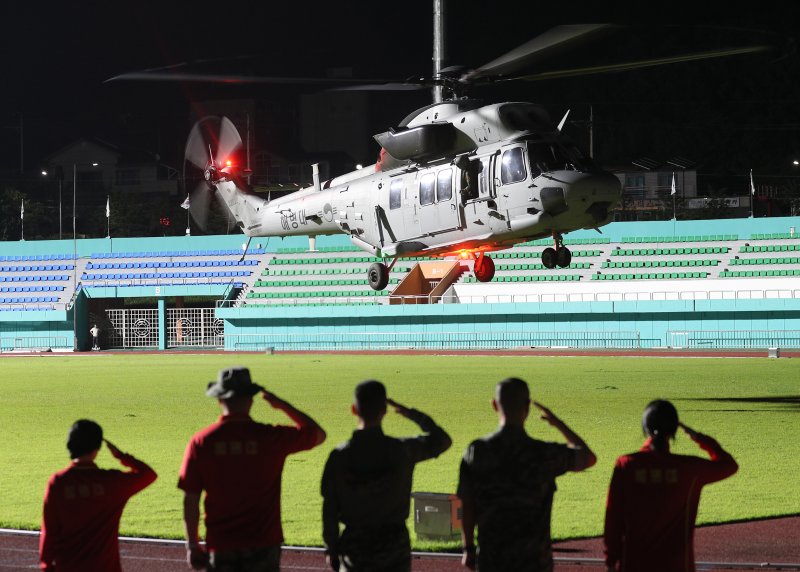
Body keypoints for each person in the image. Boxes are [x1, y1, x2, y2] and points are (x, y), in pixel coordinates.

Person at [178, 366, 326, 572]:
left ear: (220, 400)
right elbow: (318, 434)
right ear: (251, 400)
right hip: (264, 544)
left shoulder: (202, 442)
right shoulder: (271, 438)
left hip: (221, 544)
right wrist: (282, 405)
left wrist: (192, 545)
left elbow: (190, 499)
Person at [457, 377, 596, 572]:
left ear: (495, 405)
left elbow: (467, 504)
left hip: (493, 558)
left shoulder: (477, 451)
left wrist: (468, 548)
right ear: (527, 407)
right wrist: (558, 423)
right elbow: (588, 457)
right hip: (535, 560)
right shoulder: (543, 454)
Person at [321, 380, 452, 572]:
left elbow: (329, 508)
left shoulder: (339, 457)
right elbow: (442, 440)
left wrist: (331, 549)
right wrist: (410, 413)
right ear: (384, 409)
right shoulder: (402, 451)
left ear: (353, 409)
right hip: (394, 547)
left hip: (355, 548)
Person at [603, 399, 738, 572]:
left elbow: (613, 516)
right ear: (674, 429)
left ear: (645, 427)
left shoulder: (627, 465)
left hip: (634, 564)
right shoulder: (689, 468)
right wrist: (697, 437)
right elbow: (728, 465)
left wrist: (610, 559)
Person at [39, 419, 157, 572]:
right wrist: (121, 455)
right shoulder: (112, 483)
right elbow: (148, 475)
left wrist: (46, 567)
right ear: (97, 448)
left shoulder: (57, 483)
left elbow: (49, 531)